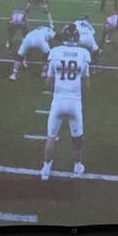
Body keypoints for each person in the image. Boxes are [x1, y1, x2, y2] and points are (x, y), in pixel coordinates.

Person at [40, 23, 91, 181]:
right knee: (77, 138)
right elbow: (86, 84)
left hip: (58, 100)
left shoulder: (55, 52)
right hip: (75, 101)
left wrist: (59, 88)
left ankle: (46, 169)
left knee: (51, 137)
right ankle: (77, 166)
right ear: (77, 38)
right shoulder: (83, 53)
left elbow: (48, 82)